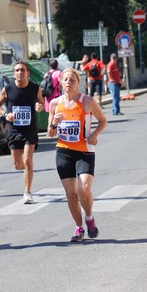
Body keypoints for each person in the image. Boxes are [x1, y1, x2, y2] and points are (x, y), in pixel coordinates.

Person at [47, 68, 107, 242]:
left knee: (84, 189)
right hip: (64, 151)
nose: (68, 83)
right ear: (60, 82)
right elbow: (51, 134)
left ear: (78, 83)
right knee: (71, 194)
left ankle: (89, 218)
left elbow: (103, 121)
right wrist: (53, 124)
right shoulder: (54, 103)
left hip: (84, 151)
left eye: (72, 80)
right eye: (65, 79)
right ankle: (79, 227)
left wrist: (94, 135)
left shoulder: (87, 101)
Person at [0, 60, 44, 204]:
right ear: (14, 73)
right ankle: (27, 170)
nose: (19, 73)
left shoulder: (35, 88)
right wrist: (5, 115)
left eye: (22, 70)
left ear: (28, 73)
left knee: (28, 159)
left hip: (30, 129)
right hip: (14, 129)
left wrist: (38, 106)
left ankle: (27, 191)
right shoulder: (8, 89)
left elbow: (41, 102)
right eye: (17, 70)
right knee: (18, 164)